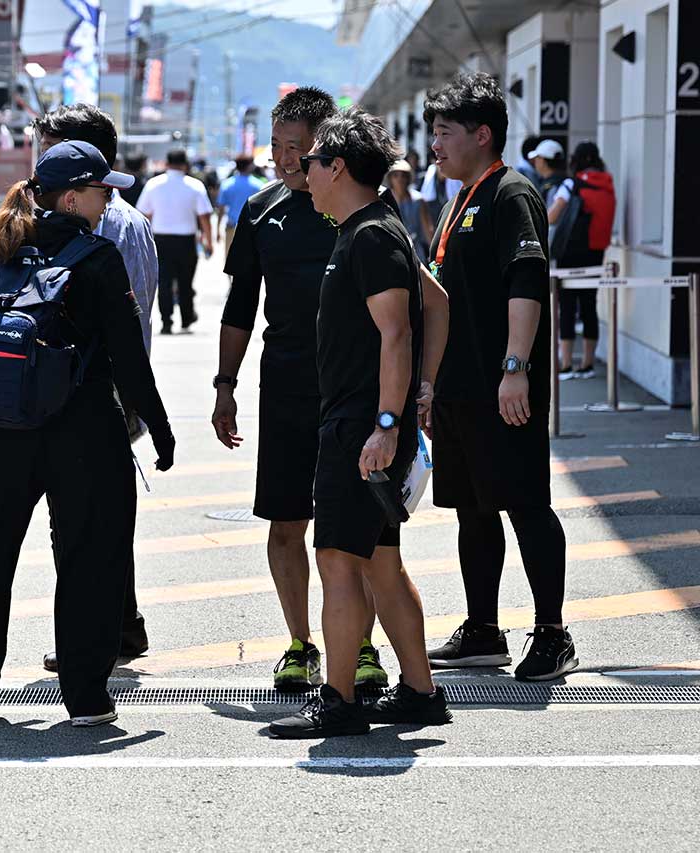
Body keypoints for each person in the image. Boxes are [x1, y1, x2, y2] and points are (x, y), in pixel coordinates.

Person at [0, 141, 175, 727]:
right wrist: (160, 429)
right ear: (71, 198)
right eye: (100, 190)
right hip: (83, 430)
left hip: (4, 424)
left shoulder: (2, 246)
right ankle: (86, 696)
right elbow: (127, 358)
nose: (108, 199)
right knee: (90, 555)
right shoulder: (97, 257)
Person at [267, 107, 451, 739]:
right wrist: (420, 390)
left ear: (338, 167)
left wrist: (389, 422)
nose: (302, 169)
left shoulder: (370, 236)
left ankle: (340, 701)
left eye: (311, 160)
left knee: (338, 561)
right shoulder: (374, 228)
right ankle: (421, 693)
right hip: (366, 422)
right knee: (380, 562)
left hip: (361, 428)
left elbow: (397, 332)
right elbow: (438, 303)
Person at [215, 86, 389, 694]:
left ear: (326, 148)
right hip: (285, 386)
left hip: (354, 391)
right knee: (286, 521)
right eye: (276, 145)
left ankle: (361, 648)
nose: (285, 158)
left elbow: (408, 305)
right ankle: (300, 644)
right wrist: (225, 386)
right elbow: (239, 306)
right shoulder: (259, 211)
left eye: (297, 147)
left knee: (355, 529)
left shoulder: (362, 208)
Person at [422, 72, 577, 681]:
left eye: (444, 132)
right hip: (457, 388)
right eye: (434, 133)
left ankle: (553, 633)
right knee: (472, 510)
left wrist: (516, 367)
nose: (435, 144)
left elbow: (526, 281)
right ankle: (483, 631)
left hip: (501, 387)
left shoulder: (512, 193)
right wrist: (428, 384)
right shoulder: (458, 199)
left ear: (482, 134)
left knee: (526, 504)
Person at [29, 104, 158, 671]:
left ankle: (92, 636)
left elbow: (121, 317)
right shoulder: (129, 221)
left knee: (80, 520)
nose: (39, 164)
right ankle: (121, 624)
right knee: (102, 514)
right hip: (106, 385)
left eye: (49, 150)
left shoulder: (106, 223)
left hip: (89, 387)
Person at [549, 140, 616, 379]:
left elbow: (553, 216)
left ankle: (566, 364)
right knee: (589, 305)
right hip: (595, 251)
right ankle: (588, 364)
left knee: (566, 306)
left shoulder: (571, 184)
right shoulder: (607, 184)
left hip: (570, 253)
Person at [137, 149, 214, 334]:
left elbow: (143, 214)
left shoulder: (153, 184)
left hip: (160, 239)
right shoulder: (195, 185)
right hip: (186, 240)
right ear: (185, 165)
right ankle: (186, 319)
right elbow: (204, 216)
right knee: (185, 281)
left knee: (164, 281)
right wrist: (208, 241)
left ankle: (166, 321)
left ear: (166, 163)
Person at [216, 154, 266, 247]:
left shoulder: (226, 184)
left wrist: (218, 229)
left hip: (231, 227)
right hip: (251, 228)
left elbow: (221, 209)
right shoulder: (258, 185)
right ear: (249, 166)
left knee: (230, 254)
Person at [387, 158, 428, 265]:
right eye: (396, 175)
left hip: (416, 251)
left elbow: (428, 229)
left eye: (403, 176)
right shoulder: (385, 201)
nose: (400, 179)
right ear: (390, 178)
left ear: (409, 178)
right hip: (392, 251)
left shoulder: (418, 200)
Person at [527, 138, 566, 204]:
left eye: (537, 157)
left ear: (542, 160)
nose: (535, 161)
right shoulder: (564, 180)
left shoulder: (552, 186)